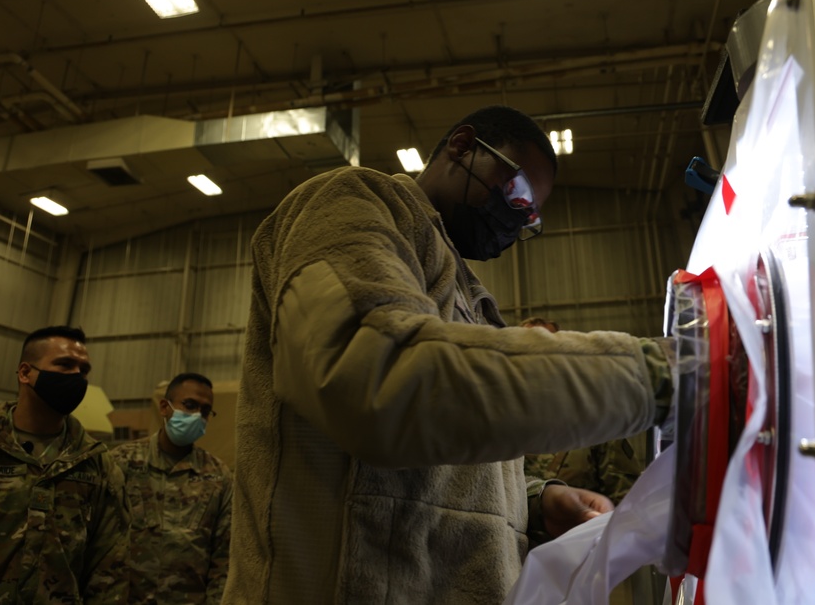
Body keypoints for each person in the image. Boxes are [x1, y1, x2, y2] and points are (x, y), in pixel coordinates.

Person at [224, 105, 674, 604]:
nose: (519, 218)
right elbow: (382, 382)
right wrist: (655, 372)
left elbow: (439, 473)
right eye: (519, 193)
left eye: (531, 215)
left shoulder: (469, 293)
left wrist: (533, 501)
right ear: (462, 145)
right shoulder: (352, 203)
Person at [0, 325, 130, 603]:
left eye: (83, 370)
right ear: (25, 373)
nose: (77, 377)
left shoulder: (96, 464)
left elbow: (109, 567)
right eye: (65, 365)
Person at [111, 372, 233, 604]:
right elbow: (103, 540)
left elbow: (223, 556)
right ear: (165, 407)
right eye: (189, 405)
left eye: (205, 411)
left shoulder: (218, 475)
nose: (197, 415)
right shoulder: (122, 462)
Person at [520, 317, 647, 509]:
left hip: (577, 536)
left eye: (547, 345)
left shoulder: (596, 420)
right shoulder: (494, 420)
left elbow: (625, 501)